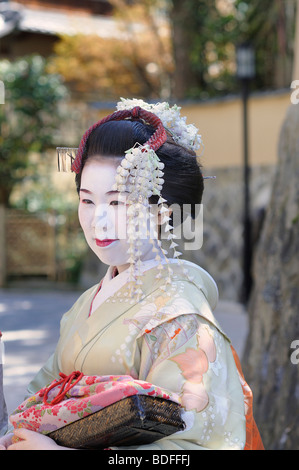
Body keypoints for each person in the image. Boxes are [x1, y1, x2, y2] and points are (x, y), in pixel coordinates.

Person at [0, 99, 263, 450]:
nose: (99, 220)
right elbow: (40, 396)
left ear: (160, 213)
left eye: (117, 202)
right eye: (87, 201)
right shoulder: (87, 302)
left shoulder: (180, 314)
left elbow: (197, 444)